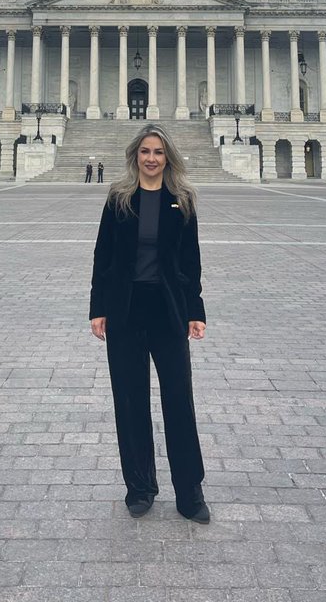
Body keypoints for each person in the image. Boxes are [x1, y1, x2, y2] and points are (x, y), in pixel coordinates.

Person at [89, 124, 209, 523]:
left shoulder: (183, 200)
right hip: (125, 308)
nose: (152, 158)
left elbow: (191, 263)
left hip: (168, 309)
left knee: (179, 400)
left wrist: (196, 311)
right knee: (130, 400)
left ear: (167, 157)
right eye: (145, 151)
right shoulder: (119, 198)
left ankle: (190, 491)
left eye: (158, 152)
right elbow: (103, 255)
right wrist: (97, 308)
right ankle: (140, 486)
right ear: (135, 156)